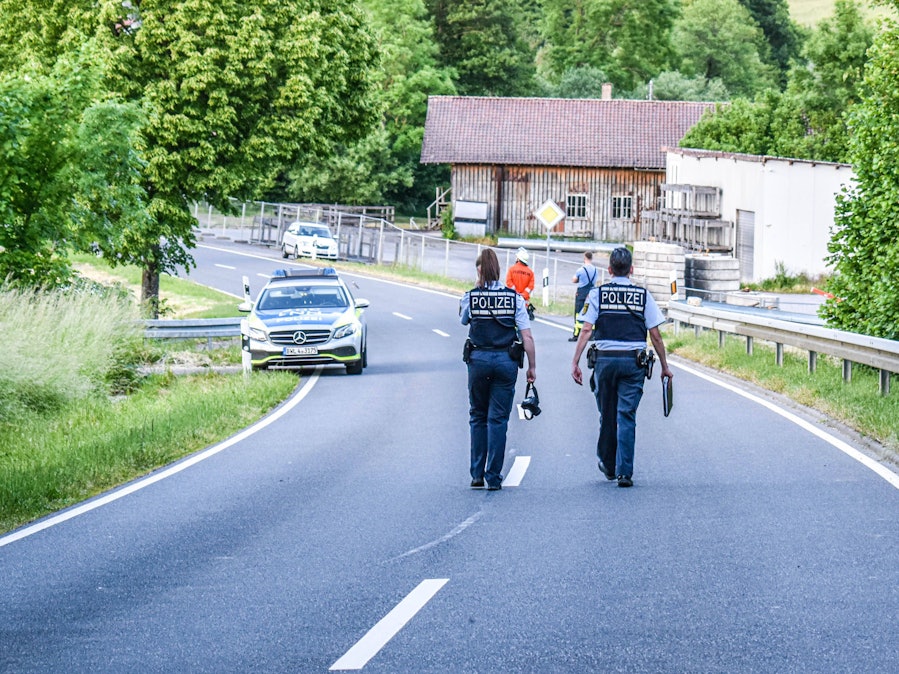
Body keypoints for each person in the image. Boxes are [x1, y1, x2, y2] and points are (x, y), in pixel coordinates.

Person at [570, 246, 673, 488]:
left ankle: (607, 464)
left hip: (604, 361)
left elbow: (586, 329)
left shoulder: (597, 295)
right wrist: (664, 367)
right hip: (633, 363)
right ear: (632, 270)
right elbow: (655, 335)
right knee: (626, 415)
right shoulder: (643, 296)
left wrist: (575, 361)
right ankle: (624, 472)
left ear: (609, 270)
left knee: (607, 414)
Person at [461, 248, 537, 491]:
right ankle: (493, 476)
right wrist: (532, 368)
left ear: (480, 270)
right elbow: (527, 336)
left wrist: (477, 285)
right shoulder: (514, 298)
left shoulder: (471, 297)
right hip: (506, 362)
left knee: (478, 416)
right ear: (500, 271)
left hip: (479, 359)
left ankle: (476, 474)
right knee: (498, 419)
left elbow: (463, 320)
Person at [569, 251, 599, 341]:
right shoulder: (595, 270)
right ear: (591, 258)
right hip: (591, 293)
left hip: (581, 293)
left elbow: (574, 280)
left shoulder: (581, 270)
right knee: (591, 312)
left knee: (579, 312)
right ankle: (592, 334)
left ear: (585, 258)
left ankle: (576, 334)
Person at [506, 247, 536, 319]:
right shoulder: (530, 272)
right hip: (524, 301)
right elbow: (530, 287)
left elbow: (508, 282)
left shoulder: (512, 269)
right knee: (523, 322)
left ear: (518, 259)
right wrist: (523, 295)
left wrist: (516, 293)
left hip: (512, 299)